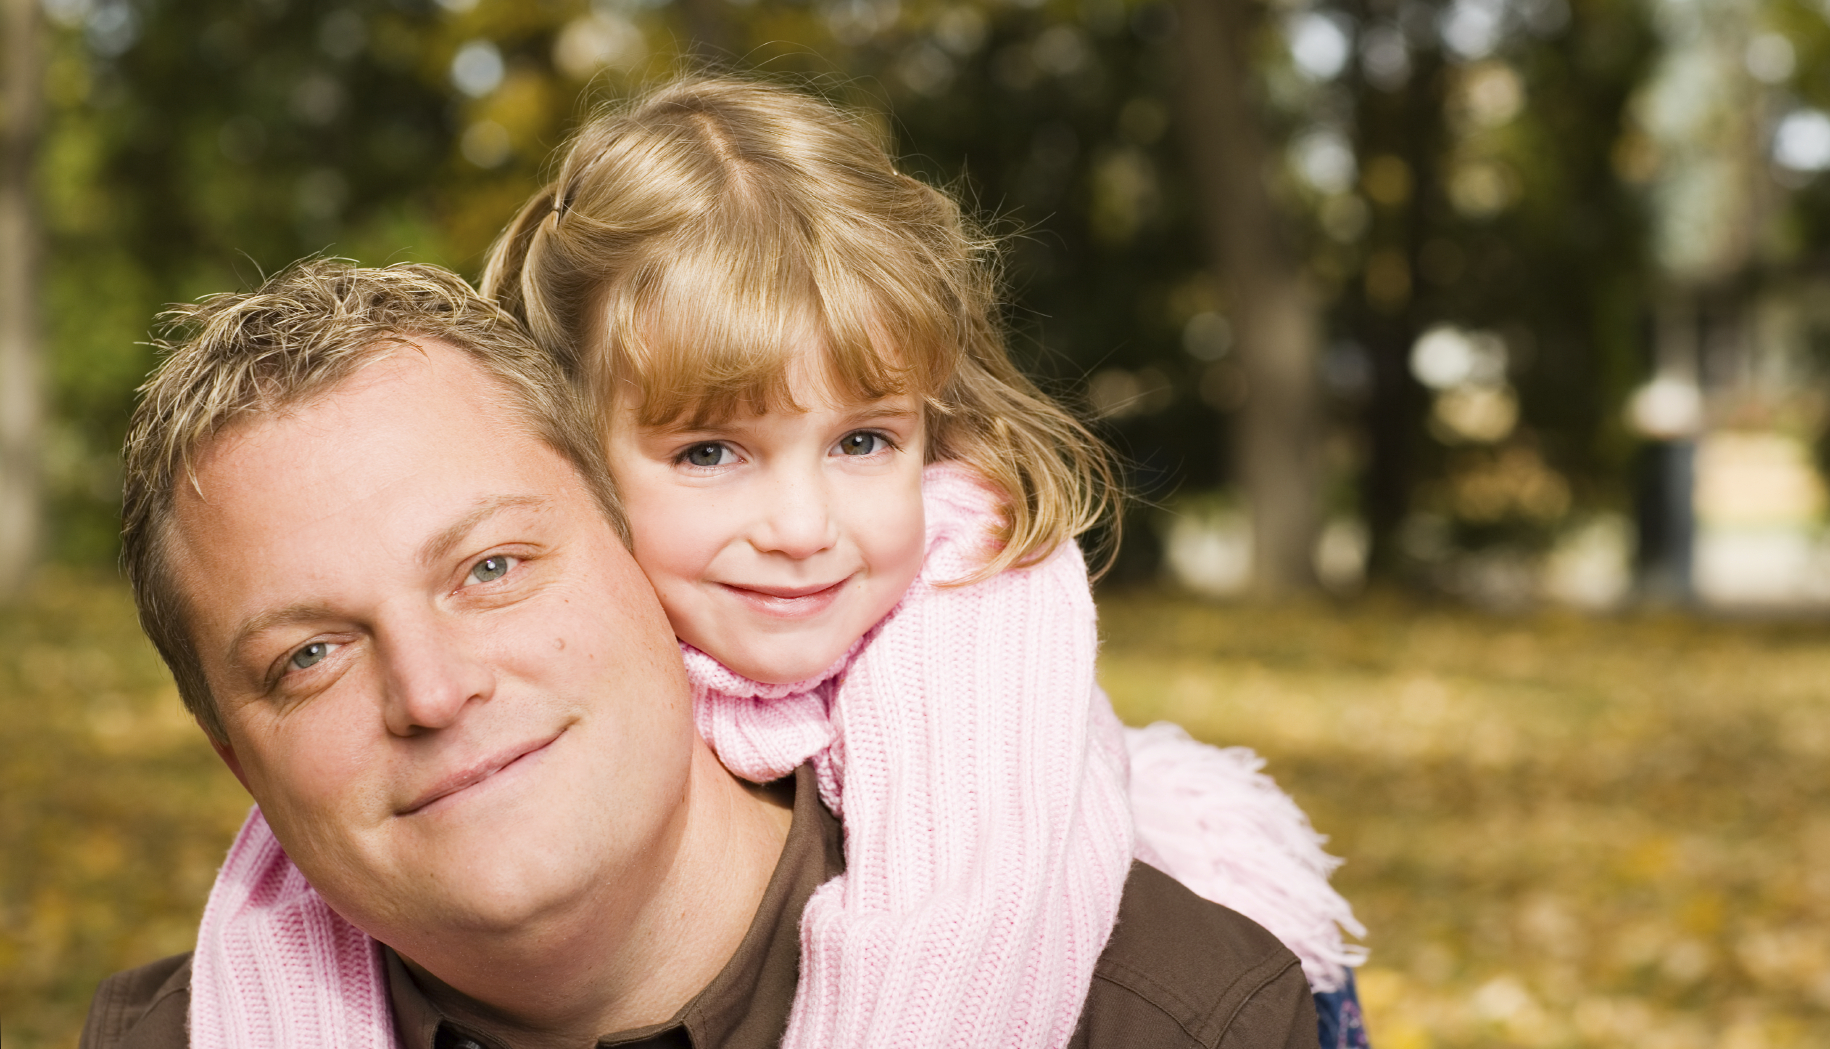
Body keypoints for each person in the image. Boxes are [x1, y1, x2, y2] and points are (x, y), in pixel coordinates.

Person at [85, 260, 1319, 1048]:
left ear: (641, 556)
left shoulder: (1160, 1013)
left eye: (494, 568)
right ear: (234, 751)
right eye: (309, 654)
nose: (432, 689)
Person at [483, 75, 1367, 1047]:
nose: (802, 525)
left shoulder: (975, 603)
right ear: (569, 454)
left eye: (862, 441)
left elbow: (945, 961)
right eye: (710, 452)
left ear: (929, 428)